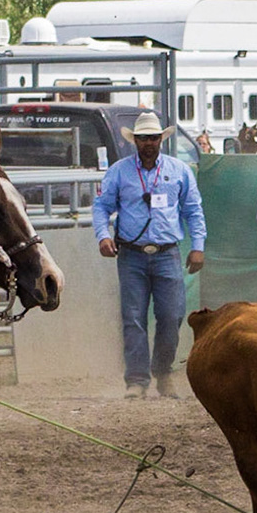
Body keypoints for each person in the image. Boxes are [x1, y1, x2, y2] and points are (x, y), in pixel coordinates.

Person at [93, 111, 206, 399]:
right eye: (143, 138)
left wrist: (198, 246)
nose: (148, 143)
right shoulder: (119, 171)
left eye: (153, 138)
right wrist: (103, 235)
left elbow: (193, 210)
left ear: (160, 140)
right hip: (131, 254)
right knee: (133, 317)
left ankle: (163, 371)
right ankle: (137, 380)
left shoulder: (179, 170)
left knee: (172, 315)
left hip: (167, 252)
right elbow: (102, 206)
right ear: (135, 141)